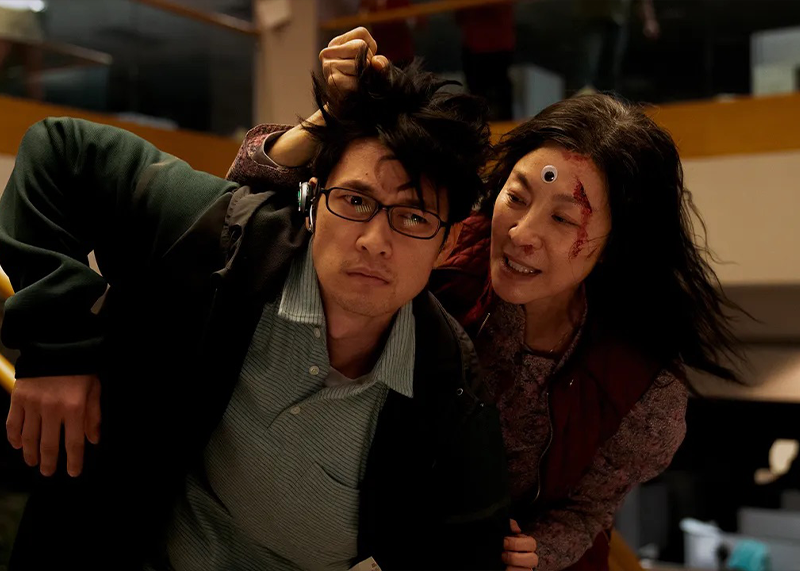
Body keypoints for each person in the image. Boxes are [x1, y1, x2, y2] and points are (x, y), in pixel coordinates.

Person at [0, 29, 512, 570]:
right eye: (354, 201)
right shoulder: (227, 243)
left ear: (447, 243)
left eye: (412, 217)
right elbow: (60, 151)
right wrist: (56, 348)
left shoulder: (447, 389)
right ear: (312, 202)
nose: (373, 241)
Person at [232, 53, 744, 570]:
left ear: (616, 245)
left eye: (564, 219)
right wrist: (330, 117)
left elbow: (592, 508)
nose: (521, 234)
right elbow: (246, 193)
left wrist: (542, 549)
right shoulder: (438, 243)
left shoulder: (640, 384)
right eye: (516, 197)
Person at [572, 0, 660, 94]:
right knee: (586, 71)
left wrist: (649, 19)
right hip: (591, 19)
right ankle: (582, 100)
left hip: (618, 20)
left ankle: (608, 99)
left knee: (611, 73)